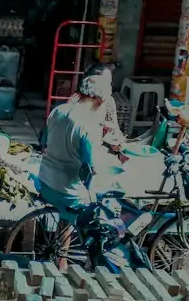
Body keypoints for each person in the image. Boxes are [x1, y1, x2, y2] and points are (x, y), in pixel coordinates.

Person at [37, 63, 126, 223]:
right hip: (68, 193)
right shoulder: (88, 123)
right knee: (112, 203)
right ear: (98, 99)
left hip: (44, 183)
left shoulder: (58, 110)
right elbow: (91, 167)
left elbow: (44, 144)